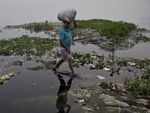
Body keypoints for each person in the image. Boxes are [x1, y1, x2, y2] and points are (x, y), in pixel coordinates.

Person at [53, 9, 77, 75]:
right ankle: (73, 72)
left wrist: (73, 19)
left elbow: (75, 26)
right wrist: (66, 49)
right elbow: (60, 41)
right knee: (69, 59)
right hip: (63, 48)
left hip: (67, 47)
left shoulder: (68, 29)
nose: (68, 24)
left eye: (68, 23)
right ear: (63, 23)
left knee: (63, 59)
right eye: (66, 23)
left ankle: (55, 67)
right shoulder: (62, 30)